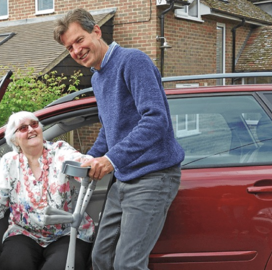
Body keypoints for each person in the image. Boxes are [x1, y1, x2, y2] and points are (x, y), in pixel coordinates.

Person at [54, 8, 185, 270]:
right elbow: (110, 128)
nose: (76, 51)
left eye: (79, 40)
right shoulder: (98, 77)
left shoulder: (132, 61)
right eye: (69, 47)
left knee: (128, 265)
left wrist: (112, 158)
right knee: (101, 257)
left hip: (153, 176)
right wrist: (90, 156)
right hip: (124, 178)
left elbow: (156, 120)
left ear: (96, 31)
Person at [0, 111, 95, 270]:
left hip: (67, 232)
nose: (31, 129)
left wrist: (88, 165)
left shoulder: (59, 151)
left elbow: (80, 163)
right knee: (12, 265)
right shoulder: (9, 162)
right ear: (15, 139)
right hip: (24, 232)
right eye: (23, 128)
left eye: (34, 124)